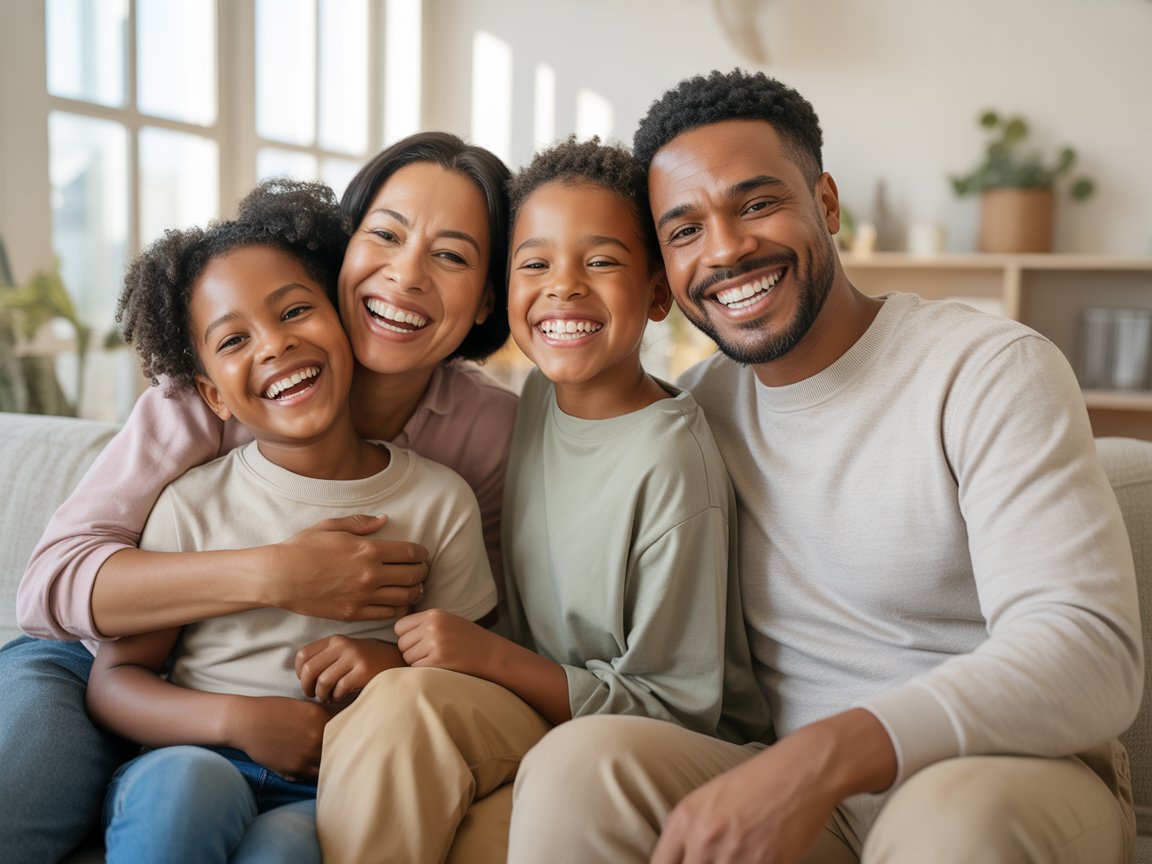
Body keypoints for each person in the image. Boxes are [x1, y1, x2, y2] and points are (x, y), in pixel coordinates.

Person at [507, 69, 1142, 864]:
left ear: (827, 205)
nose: (727, 250)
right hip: (796, 791)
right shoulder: (693, 414)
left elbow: (1091, 651)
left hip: (1007, 779)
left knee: (949, 824)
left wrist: (825, 756)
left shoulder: (985, 369)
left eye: (757, 204)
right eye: (684, 230)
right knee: (577, 768)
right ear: (663, 269)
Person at [0, 131, 516, 864]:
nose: (405, 277)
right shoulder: (200, 399)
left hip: (317, 746)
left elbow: (471, 644)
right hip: (100, 658)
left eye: (452, 254)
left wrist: (392, 671)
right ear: (346, 254)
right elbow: (49, 587)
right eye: (387, 236)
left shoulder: (480, 443)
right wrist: (280, 574)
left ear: (488, 295)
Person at [313, 135, 771, 864]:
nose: (563, 287)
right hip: (541, 716)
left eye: (601, 262)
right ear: (506, 288)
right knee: (397, 710)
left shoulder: (671, 461)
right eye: (536, 263)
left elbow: (677, 708)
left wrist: (485, 658)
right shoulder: (532, 401)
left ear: (658, 293)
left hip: (653, 753)